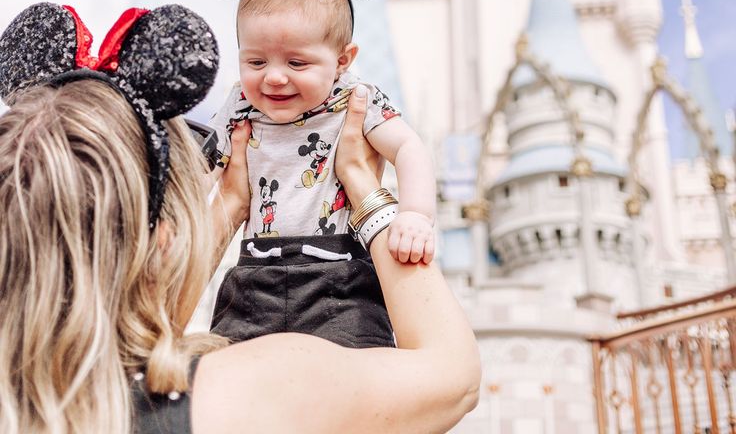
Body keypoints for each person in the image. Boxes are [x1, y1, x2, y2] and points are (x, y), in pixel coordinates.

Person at [0, 22, 481, 434]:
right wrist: (363, 189)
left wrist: (229, 200)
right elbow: (453, 377)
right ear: (161, 241)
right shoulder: (253, 387)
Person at [195, 0, 437, 347]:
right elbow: (204, 166)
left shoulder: (356, 99)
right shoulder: (238, 104)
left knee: (359, 367)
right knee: (232, 365)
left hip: (340, 275)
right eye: (255, 62)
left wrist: (415, 214)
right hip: (256, 272)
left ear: (342, 61)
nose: (273, 77)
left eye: (296, 63)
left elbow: (408, 147)